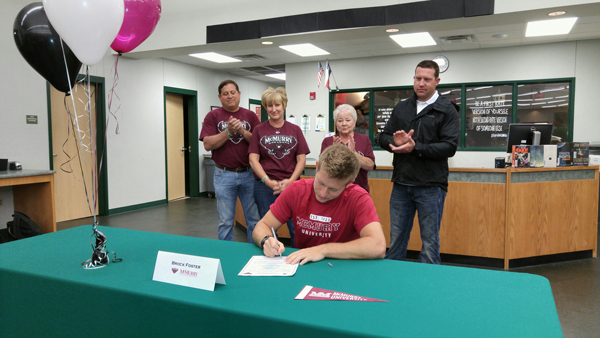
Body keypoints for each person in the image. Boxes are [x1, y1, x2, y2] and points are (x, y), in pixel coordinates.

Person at [252, 144, 386, 265]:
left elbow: (378, 246)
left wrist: (324, 250)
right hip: (304, 266)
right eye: (320, 183)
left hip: (344, 266)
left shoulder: (358, 197)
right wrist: (266, 240)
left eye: (333, 189)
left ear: (349, 183)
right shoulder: (296, 190)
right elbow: (262, 226)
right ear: (317, 167)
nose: (323, 193)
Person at [380, 60, 459, 264]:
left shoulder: (446, 110)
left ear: (437, 81)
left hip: (431, 186)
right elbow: (382, 137)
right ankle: (393, 283)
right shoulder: (402, 108)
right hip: (401, 184)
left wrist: (416, 148)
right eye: (418, 78)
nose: (421, 83)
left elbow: (449, 147)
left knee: (430, 242)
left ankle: (430, 288)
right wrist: (393, 142)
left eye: (427, 79)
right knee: (396, 239)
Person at [199, 80, 261, 243]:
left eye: (233, 92)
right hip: (223, 174)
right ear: (220, 97)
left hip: (248, 174)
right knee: (226, 221)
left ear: (239, 94)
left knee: (253, 219)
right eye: (225, 94)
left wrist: (241, 130)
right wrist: (228, 131)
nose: (230, 96)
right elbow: (207, 144)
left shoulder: (250, 116)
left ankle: (253, 253)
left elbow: (259, 142)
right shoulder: (212, 116)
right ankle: (226, 254)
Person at [248, 87, 310, 248]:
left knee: (296, 226)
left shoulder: (295, 129)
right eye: (270, 106)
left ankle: (299, 256)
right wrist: (268, 181)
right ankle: (269, 256)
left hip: (292, 186)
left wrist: (290, 181)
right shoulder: (259, 130)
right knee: (266, 227)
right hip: (264, 186)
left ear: (284, 106)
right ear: (265, 107)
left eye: (277, 105)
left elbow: (301, 158)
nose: (274, 109)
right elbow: (253, 159)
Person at [320, 104, 375, 192]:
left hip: (359, 190)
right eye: (340, 120)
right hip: (333, 191)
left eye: (348, 120)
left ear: (354, 122)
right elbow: (321, 168)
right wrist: (333, 152)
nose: (344, 124)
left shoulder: (364, 140)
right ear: (336, 123)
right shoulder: (328, 141)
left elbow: (370, 166)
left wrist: (353, 153)